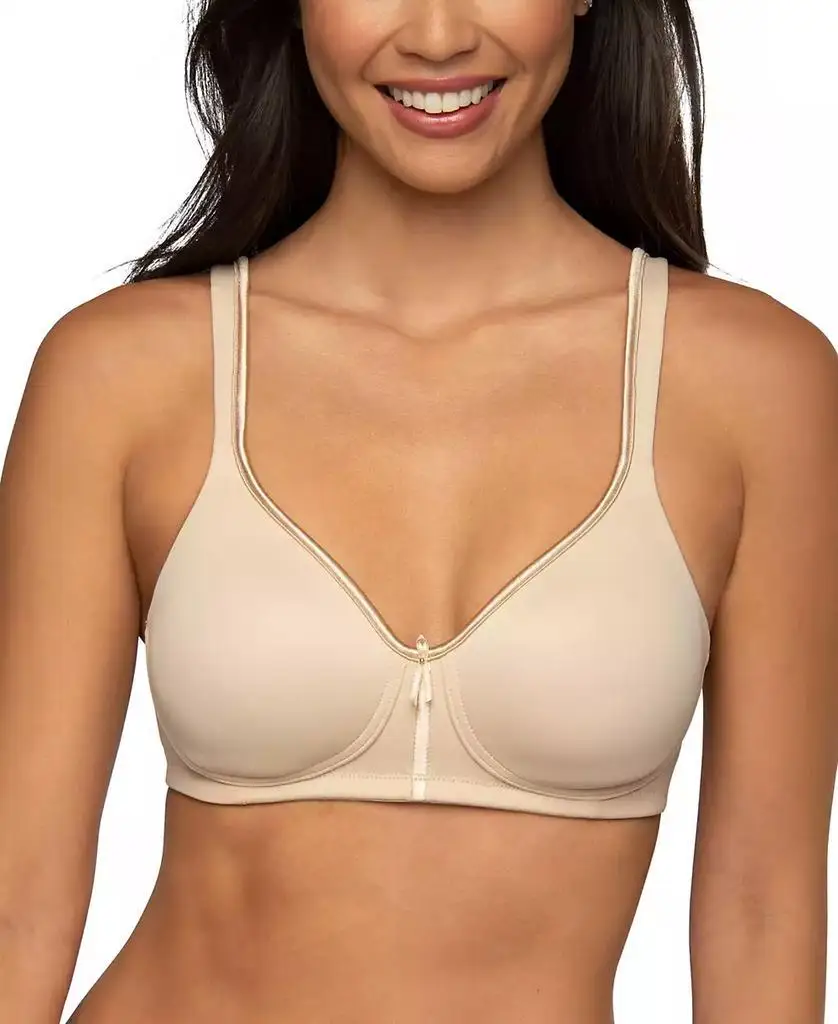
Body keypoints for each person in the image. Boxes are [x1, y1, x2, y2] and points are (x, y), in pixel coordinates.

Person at [2, 1, 837, 1022]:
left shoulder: (759, 388)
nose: (438, 37)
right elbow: (19, 896)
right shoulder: (119, 375)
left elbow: (763, 906)